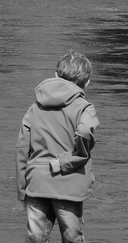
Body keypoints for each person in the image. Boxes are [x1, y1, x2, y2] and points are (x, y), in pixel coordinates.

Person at [16, 51, 99, 243]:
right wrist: (70, 160)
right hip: (69, 186)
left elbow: (21, 147)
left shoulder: (35, 107)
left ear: (55, 75)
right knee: (72, 237)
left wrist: (22, 190)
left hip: (37, 182)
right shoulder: (84, 107)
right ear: (87, 82)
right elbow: (85, 132)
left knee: (35, 238)